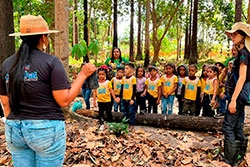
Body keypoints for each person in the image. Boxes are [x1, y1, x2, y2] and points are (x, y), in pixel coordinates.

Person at [0, 15, 96, 166]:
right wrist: (83, 74)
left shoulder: (7, 64)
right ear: (44, 38)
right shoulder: (51, 62)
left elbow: (5, 103)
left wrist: (16, 123)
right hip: (45, 129)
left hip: (14, 129)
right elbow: (64, 100)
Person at [222, 22, 250, 166]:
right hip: (240, 95)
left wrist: (233, 100)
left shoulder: (244, 53)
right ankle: (239, 157)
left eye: (235, 34)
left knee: (228, 126)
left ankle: (229, 161)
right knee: (237, 126)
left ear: (243, 35)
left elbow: (243, 78)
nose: (232, 36)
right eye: (231, 34)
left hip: (238, 96)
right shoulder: (243, 52)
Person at [93, 65, 119, 131]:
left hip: (108, 101)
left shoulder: (108, 82)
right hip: (100, 101)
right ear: (97, 75)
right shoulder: (96, 83)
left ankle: (110, 123)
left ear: (105, 75)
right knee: (101, 113)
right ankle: (102, 124)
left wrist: (115, 98)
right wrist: (94, 101)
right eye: (99, 74)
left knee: (108, 112)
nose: (101, 76)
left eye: (103, 74)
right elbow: (95, 92)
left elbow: (111, 91)